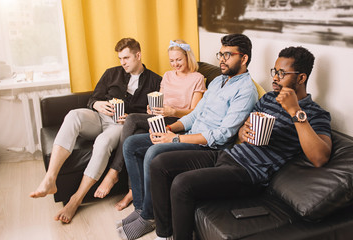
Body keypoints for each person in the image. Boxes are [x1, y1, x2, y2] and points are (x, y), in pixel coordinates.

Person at [149, 46, 332, 240]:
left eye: (282, 73)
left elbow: (319, 157)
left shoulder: (315, 114)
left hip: (250, 173)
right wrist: (243, 132)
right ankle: (164, 235)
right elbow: (245, 126)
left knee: (182, 184)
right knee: (159, 164)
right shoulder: (269, 98)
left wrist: (296, 112)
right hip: (228, 155)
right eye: (274, 72)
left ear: (301, 78)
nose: (275, 78)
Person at [117, 34, 259, 240]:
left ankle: (149, 217)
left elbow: (222, 134)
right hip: (190, 134)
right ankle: (141, 208)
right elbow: (194, 115)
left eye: (227, 55)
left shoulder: (246, 90)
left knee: (154, 152)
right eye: (221, 54)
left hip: (209, 147)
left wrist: (175, 140)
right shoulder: (218, 80)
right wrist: (170, 130)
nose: (221, 59)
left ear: (244, 58)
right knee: (131, 144)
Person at [29, 38, 162, 224]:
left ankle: (76, 199)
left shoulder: (156, 81)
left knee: (103, 142)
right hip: (98, 118)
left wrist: (132, 116)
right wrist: (97, 104)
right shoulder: (111, 73)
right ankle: (50, 178)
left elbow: (153, 114)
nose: (122, 62)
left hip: (120, 126)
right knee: (73, 115)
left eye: (126, 58)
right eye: (120, 58)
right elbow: (92, 98)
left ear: (138, 55)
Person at [93, 39, 206, 211]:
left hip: (177, 121)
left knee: (131, 120)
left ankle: (114, 172)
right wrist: (151, 109)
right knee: (135, 132)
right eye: (172, 60)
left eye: (179, 60)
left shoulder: (197, 78)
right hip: (160, 117)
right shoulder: (167, 76)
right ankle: (134, 193)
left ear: (187, 57)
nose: (175, 64)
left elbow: (194, 112)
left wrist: (173, 111)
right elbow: (159, 99)